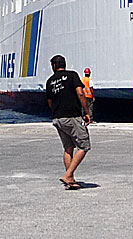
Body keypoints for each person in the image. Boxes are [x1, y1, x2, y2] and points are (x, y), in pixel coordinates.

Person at [46, 54, 91, 190]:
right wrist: (87, 112)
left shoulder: (49, 81)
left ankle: (70, 180)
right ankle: (68, 174)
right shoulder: (72, 75)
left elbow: (50, 102)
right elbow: (80, 93)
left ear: (54, 66)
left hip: (57, 118)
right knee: (84, 146)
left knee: (68, 148)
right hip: (72, 116)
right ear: (64, 64)